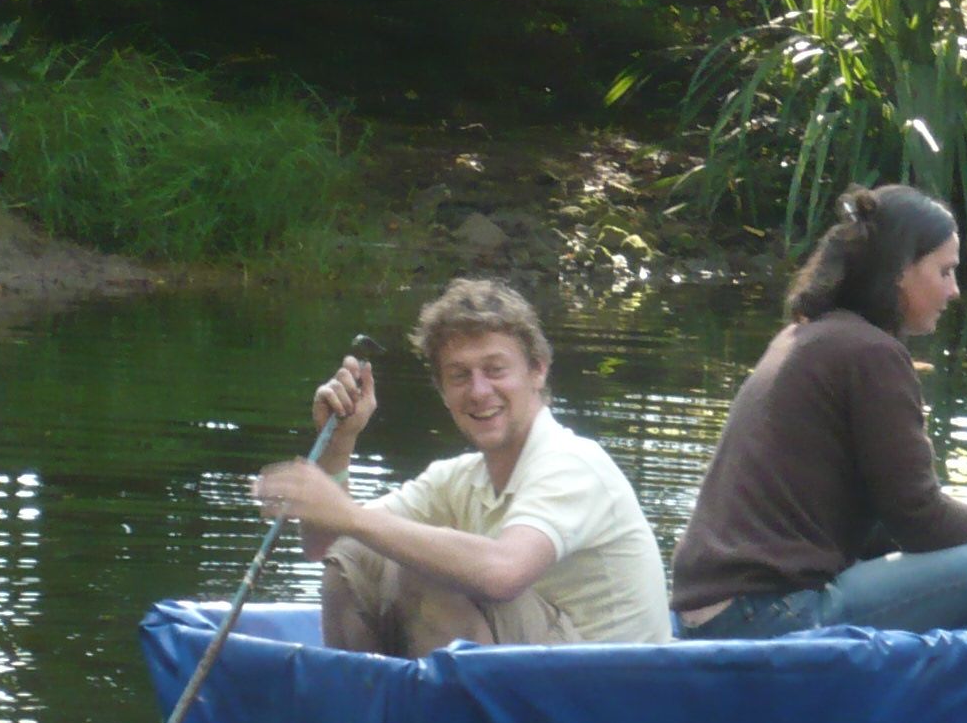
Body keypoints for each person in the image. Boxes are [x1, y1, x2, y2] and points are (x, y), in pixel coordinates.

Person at [669, 184, 967, 640]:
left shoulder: (805, 336)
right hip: (768, 614)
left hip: (714, 610)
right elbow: (921, 523)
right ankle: (917, 705)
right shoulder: (871, 353)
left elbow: (888, 522)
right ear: (901, 271)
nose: (955, 291)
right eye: (944, 272)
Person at [254, 277, 672, 655]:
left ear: (538, 371)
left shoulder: (574, 464)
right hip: (532, 685)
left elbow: (503, 572)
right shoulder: (458, 479)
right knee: (357, 554)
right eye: (459, 376)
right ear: (442, 390)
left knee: (430, 577)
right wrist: (339, 444)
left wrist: (351, 516)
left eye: (495, 370)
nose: (478, 391)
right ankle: (363, 718)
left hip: (605, 701)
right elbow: (326, 546)